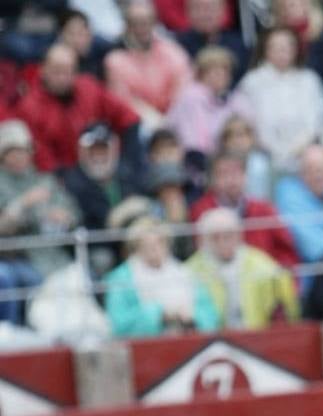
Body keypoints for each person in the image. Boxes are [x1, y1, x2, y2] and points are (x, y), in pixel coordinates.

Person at [16, 41, 141, 174]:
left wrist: (126, 161)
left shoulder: (89, 87)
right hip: (64, 176)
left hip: (103, 165)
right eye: (56, 71)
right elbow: (43, 159)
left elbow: (129, 118)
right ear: (43, 69)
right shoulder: (29, 108)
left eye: (68, 71)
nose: (62, 77)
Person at [0, 119, 80, 324]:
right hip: (17, 256)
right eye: (12, 151)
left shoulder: (45, 181)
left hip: (55, 253)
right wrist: (23, 204)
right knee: (32, 281)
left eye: (23, 150)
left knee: (83, 277)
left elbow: (73, 215)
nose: (19, 156)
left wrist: (64, 217)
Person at [237, 25, 323, 173]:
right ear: (265, 50)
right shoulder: (251, 82)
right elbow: (244, 124)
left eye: (286, 47)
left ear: (296, 50)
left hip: (307, 154)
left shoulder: (309, 80)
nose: (281, 52)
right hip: (265, 155)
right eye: (276, 47)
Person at [186, 206, 299, 327]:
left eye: (228, 236)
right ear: (205, 240)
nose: (222, 242)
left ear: (238, 235)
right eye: (215, 237)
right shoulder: (191, 270)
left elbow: (285, 306)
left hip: (256, 335)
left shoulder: (261, 264)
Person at [105, 215, 219, 335]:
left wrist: (193, 316)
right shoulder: (120, 279)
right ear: (136, 246)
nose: (154, 249)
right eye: (146, 244)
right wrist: (159, 314)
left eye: (159, 242)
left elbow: (210, 317)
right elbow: (118, 325)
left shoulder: (185, 273)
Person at [192, 150, 298, 267]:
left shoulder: (264, 209)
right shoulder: (201, 211)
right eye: (223, 174)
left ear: (245, 175)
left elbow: (287, 252)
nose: (231, 180)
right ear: (212, 179)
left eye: (236, 172)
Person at [104, 0, 192, 130]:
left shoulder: (174, 53)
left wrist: (169, 120)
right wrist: (157, 122)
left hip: (174, 120)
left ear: (154, 23)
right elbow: (124, 100)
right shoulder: (115, 60)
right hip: (139, 125)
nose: (141, 28)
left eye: (146, 22)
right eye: (135, 23)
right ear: (127, 26)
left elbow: (182, 90)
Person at [165, 45, 254, 160]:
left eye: (224, 71)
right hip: (196, 161)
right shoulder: (190, 98)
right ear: (201, 75)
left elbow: (249, 130)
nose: (220, 75)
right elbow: (193, 143)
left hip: (230, 160)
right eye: (213, 71)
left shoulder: (236, 99)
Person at [275, 143, 323, 264]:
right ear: (300, 172)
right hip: (309, 272)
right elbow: (313, 248)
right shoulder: (288, 195)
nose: (319, 175)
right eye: (312, 169)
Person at [176, 0, 248, 78]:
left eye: (210, 8)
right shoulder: (177, 48)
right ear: (188, 12)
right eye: (198, 8)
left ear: (223, 11)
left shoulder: (239, 46)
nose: (204, 14)